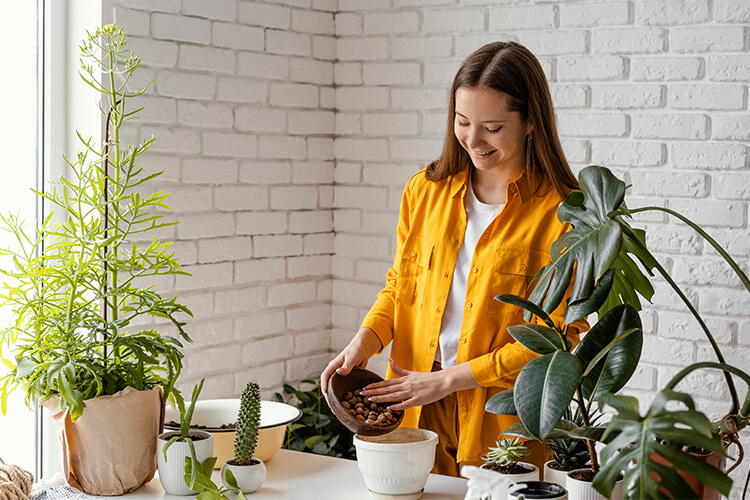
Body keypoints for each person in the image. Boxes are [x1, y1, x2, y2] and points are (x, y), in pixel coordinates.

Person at [321, 41, 589, 477]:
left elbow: (555, 340)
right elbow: (400, 287)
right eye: (463, 122)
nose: (473, 140)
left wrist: (448, 380)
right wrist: (365, 340)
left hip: (500, 413)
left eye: (493, 127)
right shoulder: (423, 191)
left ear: (530, 123)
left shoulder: (565, 212)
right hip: (411, 400)